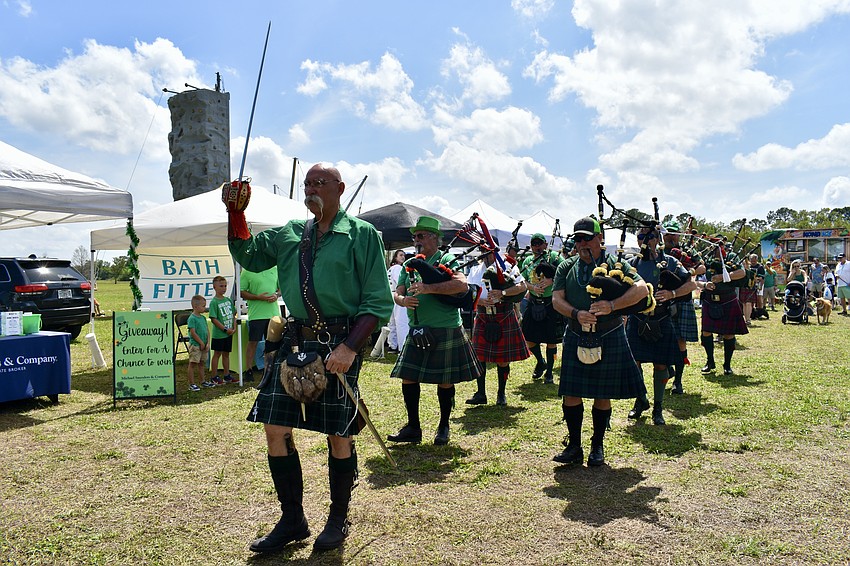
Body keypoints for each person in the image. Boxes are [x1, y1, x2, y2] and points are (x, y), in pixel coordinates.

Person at [226, 163, 393, 553]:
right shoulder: (288, 233)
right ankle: (292, 519)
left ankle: (338, 517)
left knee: (339, 434)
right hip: (294, 341)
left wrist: (351, 347)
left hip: (339, 341)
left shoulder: (361, 235)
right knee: (274, 428)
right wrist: (236, 214)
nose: (312, 188)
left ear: (340, 188)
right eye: (308, 183)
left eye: (320, 182)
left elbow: (377, 301)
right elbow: (249, 255)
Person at [551, 217, 649, 467]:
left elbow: (642, 290)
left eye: (587, 238)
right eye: (578, 239)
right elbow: (556, 300)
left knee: (601, 394)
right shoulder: (566, 266)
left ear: (599, 238)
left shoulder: (617, 264)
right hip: (575, 331)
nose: (582, 243)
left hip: (608, 332)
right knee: (571, 393)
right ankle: (574, 446)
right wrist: (576, 313)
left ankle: (597, 444)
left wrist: (612, 305)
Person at [387, 216, 482, 446]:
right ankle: (413, 427)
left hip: (445, 327)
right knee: (408, 378)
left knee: (445, 380)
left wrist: (428, 288)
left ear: (434, 239)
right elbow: (397, 293)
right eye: (414, 237)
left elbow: (461, 285)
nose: (416, 241)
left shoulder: (446, 259)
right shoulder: (410, 263)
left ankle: (444, 425)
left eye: (420, 236)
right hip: (418, 328)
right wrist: (403, 300)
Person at [625, 227, 696, 425]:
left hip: (662, 318)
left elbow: (691, 285)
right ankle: (641, 401)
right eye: (641, 237)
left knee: (661, 365)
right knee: (634, 363)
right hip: (636, 319)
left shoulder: (670, 262)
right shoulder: (631, 264)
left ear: (658, 239)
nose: (645, 241)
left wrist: (672, 294)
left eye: (650, 237)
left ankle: (658, 407)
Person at [465, 250, 529, 406]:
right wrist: (480, 302)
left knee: (502, 360)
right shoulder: (474, 270)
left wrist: (503, 292)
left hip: (503, 314)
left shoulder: (507, 266)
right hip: (482, 315)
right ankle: (481, 394)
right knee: (480, 357)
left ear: (495, 252)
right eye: (483, 253)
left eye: (488, 253)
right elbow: (468, 293)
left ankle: (501, 393)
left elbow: (522, 286)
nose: (486, 256)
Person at [662, 221, 704, 394]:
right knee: (662, 340)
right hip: (662, 300)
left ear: (679, 235)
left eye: (673, 234)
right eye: (667, 234)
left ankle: (677, 381)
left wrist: (689, 271)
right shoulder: (658, 250)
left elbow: (702, 267)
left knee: (680, 340)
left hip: (683, 299)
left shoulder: (688, 251)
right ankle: (668, 370)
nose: (670, 237)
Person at [697, 242, 748, 376]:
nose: (717, 249)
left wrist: (723, 277)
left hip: (727, 299)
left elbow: (741, 273)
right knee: (706, 332)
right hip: (709, 299)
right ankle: (710, 361)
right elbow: (697, 273)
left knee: (728, 333)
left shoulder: (731, 257)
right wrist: (704, 284)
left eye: (719, 246)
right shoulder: (707, 258)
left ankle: (727, 365)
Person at [520, 232, 563, 384]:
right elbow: (521, 280)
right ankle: (541, 362)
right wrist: (531, 286)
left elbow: (565, 273)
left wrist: (552, 280)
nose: (537, 247)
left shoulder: (555, 258)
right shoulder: (527, 261)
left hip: (551, 303)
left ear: (545, 244)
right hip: (533, 301)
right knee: (529, 338)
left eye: (540, 244)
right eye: (534, 244)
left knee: (551, 340)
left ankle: (549, 372)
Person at [240, 266, 280, 382]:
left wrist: (276, 295)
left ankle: (270, 369)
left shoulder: (274, 268)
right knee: (253, 342)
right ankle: (248, 370)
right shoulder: (247, 271)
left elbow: (280, 288)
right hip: (256, 315)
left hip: (273, 314)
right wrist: (258, 297)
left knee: (273, 344)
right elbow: (242, 292)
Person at [209, 275, 238, 384]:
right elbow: (214, 319)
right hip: (219, 334)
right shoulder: (214, 302)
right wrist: (225, 329)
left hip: (228, 333)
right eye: (221, 286)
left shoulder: (228, 300)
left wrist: (233, 327)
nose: (224, 288)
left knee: (226, 354)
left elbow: (233, 314)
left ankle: (227, 375)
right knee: (217, 354)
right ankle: (214, 376)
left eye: (225, 286)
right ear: (215, 287)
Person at [386, 249, 410, 352]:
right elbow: (400, 282)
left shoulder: (390, 269)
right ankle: (402, 346)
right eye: (400, 255)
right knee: (401, 321)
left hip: (390, 294)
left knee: (392, 322)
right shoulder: (398, 268)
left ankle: (392, 345)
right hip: (397, 294)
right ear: (395, 257)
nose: (403, 257)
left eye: (404, 255)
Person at [187, 294, 210, 392]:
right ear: (196, 307)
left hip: (204, 344)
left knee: (202, 363)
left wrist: (208, 342)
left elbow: (207, 330)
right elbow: (193, 332)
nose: (205, 308)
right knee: (193, 363)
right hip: (196, 345)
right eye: (203, 306)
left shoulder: (203, 318)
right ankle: (191, 383)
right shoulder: (192, 318)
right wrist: (200, 342)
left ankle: (203, 381)